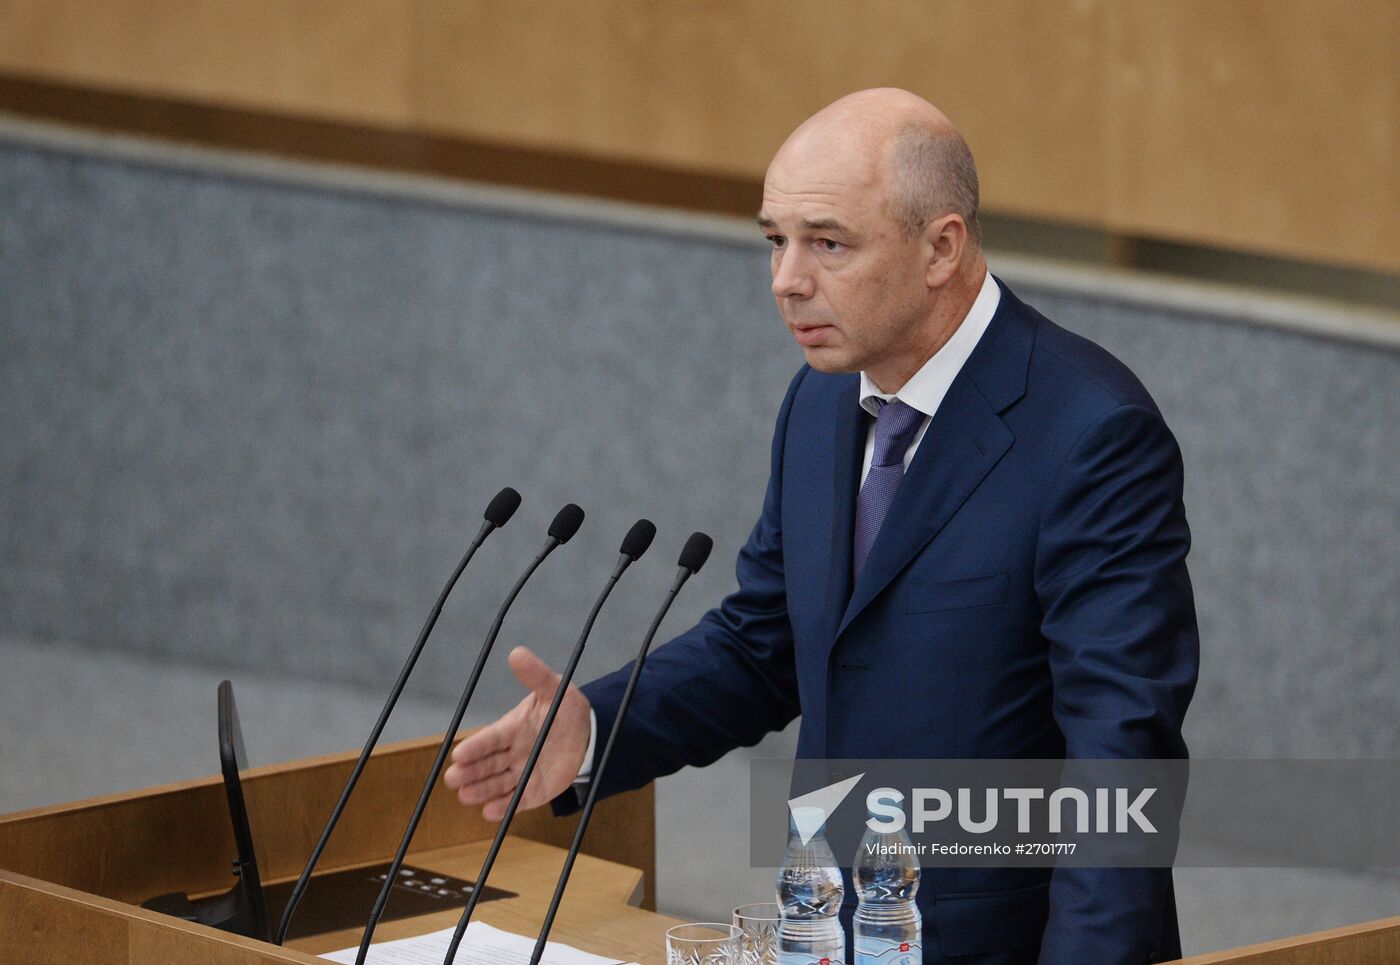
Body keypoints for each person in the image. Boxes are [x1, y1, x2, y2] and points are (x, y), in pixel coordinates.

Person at [443, 88, 1198, 964]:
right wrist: (596, 731)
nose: (786, 280)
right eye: (775, 240)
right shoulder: (823, 400)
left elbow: (1122, 756)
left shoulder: (1090, 433)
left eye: (828, 243)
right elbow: (764, 640)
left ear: (941, 247)